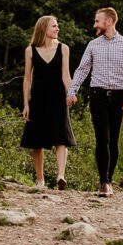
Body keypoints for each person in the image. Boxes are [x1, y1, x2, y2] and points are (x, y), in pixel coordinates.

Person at [67, 6, 123, 197]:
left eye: (98, 21)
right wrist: (72, 91)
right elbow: (82, 70)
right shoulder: (93, 45)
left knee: (113, 140)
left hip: (118, 96)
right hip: (97, 95)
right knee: (102, 139)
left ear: (109, 21)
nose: (95, 24)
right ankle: (104, 182)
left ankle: (110, 178)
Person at [21, 14, 76, 189]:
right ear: (44, 28)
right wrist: (26, 104)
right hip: (38, 98)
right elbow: (27, 78)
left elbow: (66, 76)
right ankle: (40, 180)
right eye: (54, 26)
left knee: (62, 137)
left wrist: (72, 92)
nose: (58, 28)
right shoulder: (30, 50)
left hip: (59, 98)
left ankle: (60, 176)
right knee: (37, 140)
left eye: (57, 25)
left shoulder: (63, 48)